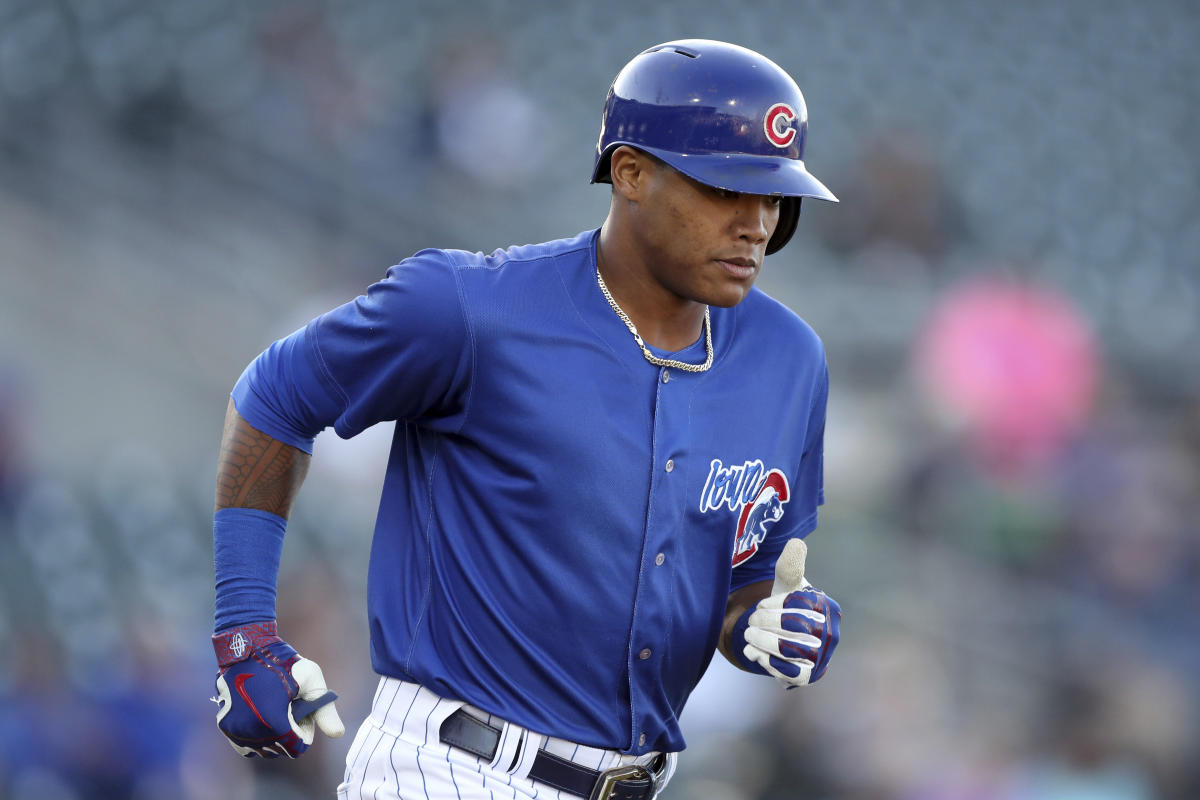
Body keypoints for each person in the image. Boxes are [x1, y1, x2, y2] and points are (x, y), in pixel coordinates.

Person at [210, 39, 843, 800]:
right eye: (726, 190)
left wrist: (764, 625)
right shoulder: (468, 308)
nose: (756, 224)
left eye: (775, 197)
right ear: (631, 173)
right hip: (452, 768)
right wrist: (245, 633)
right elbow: (274, 396)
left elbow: (744, 580)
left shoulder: (789, 360)